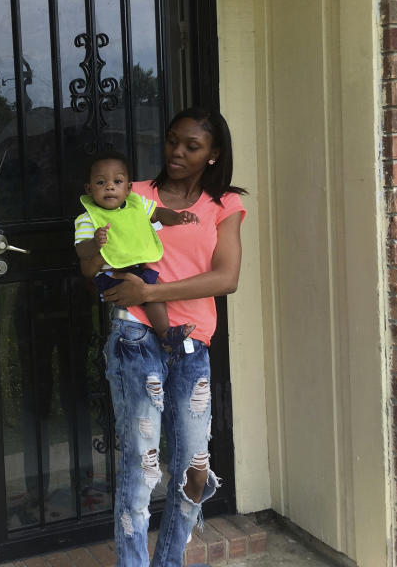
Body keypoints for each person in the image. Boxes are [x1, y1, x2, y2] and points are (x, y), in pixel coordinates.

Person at [99, 108, 246, 567]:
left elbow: (226, 278)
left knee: (194, 471)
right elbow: (103, 257)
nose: (177, 152)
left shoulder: (224, 206)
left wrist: (152, 290)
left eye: (192, 146)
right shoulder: (133, 194)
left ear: (213, 154)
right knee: (142, 468)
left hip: (191, 342)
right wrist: (128, 288)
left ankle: (168, 561)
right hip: (136, 336)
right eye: (172, 141)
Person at [74, 152, 198, 344]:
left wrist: (177, 217)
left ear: (128, 188)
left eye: (117, 181)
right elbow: (81, 250)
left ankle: (165, 334)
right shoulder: (88, 219)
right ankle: (156, 337)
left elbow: (157, 213)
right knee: (144, 296)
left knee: (152, 289)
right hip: (109, 276)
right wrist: (94, 243)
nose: (109, 186)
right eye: (100, 183)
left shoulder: (136, 205)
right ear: (89, 189)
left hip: (136, 269)